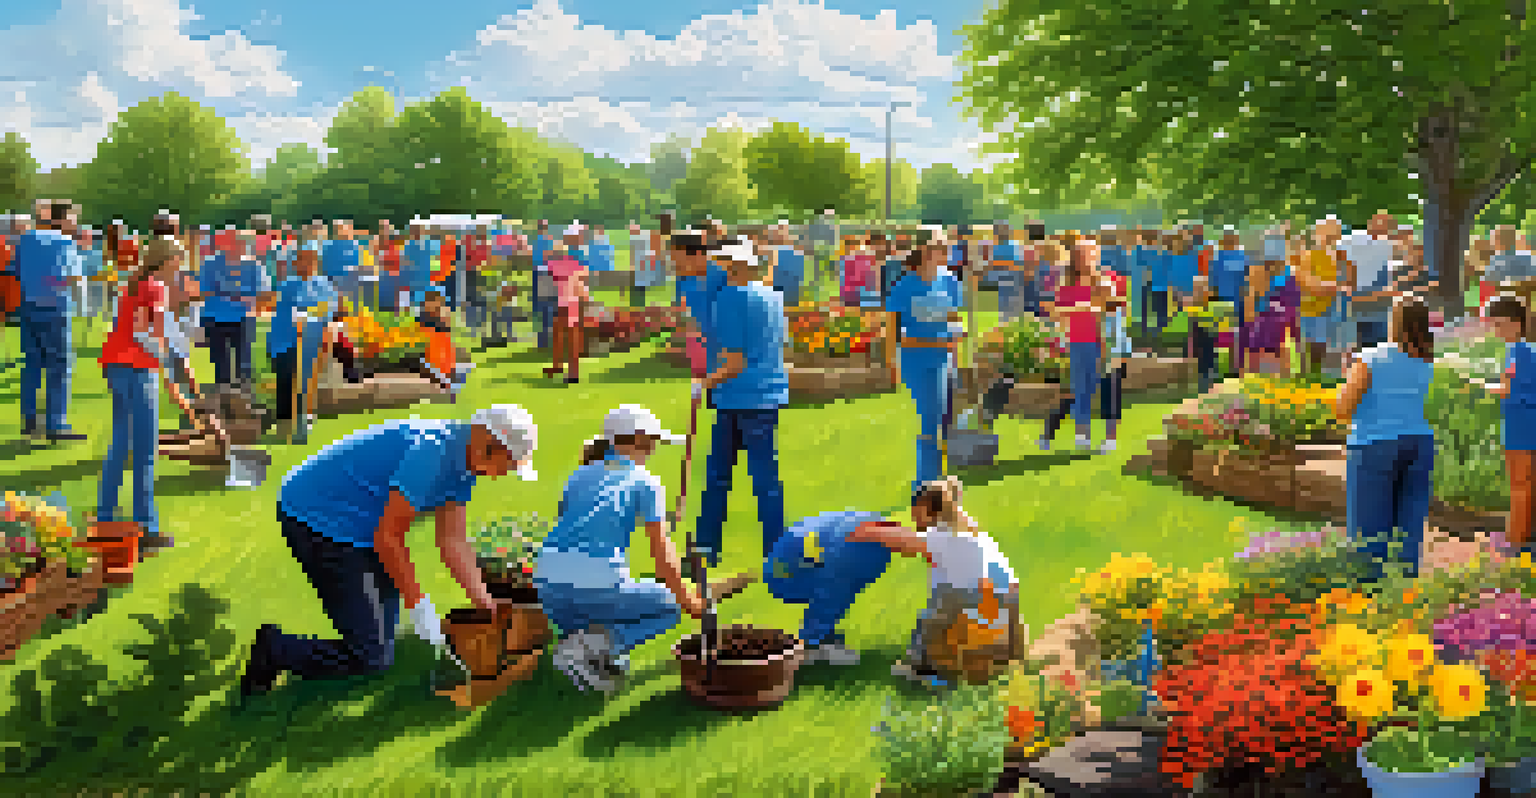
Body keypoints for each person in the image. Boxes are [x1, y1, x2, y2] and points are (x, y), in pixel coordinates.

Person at [240, 406, 539, 699]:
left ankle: (356, 641)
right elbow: (389, 537)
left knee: (382, 638)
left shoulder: (465, 463)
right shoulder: (432, 453)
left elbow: (452, 540)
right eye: (508, 465)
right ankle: (275, 649)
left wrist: (486, 603)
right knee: (370, 658)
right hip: (317, 521)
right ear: (491, 444)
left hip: (362, 525)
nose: (503, 475)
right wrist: (419, 604)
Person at [537, 406, 703, 694]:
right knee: (670, 608)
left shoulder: (580, 474)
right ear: (640, 440)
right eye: (653, 442)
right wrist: (690, 601)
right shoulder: (646, 481)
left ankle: (591, 650)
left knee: (600, 614)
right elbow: (662, 555)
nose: (654, 449)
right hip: (597, 583)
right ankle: (585, 649)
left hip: (548, 586)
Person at [842, 477, 1020, 685]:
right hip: (1006, 602)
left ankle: (923, 667)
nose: (915, 522)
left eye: (917, 516)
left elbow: (905, 542)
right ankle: (1006, 654)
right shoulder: (966, 528)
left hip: (983, 601)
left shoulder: (942, 535)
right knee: (950, 597)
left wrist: (864, 531)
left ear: (928, 510)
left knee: (934, 612)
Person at [693, 238, 791, 568]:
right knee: (766, 479)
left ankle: (706, 548)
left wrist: (703, 383)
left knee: (720, 476)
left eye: (719, 262)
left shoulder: (729, 298)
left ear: (731, 265)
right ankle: (777, 552)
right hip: (768, 395)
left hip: (739, 396)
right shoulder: (773, 295)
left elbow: (735, 361)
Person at [1334, 294, 1436, 583]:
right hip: (1419, 444)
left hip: (1374, 445)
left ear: (1395, 322)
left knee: (1368, 531)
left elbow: (1343, 409)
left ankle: (1369, 595)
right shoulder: (1428, 361)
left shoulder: (1372, 357)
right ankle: (1403, 593)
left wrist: (1347, 376)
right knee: (1409, 527)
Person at [97, 237, 182, 551]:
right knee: (146, 449)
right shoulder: (156, 287)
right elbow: (148, 333)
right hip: (136, 368)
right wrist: (171, 377)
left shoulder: (134, 283)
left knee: (121, 441)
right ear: (166, 259)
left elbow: (133, 328)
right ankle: (146, 528)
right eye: (178, 259)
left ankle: (106, 518)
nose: (180, 266)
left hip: (116, 366)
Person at [886, 237, 966, 491]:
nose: (943, 253)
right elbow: (892, 329)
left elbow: (954, 318)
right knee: (931, 418)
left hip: (943, 358)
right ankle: (927, 482)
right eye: (938, 248)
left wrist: (957, 354)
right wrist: (892, 362)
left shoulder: (950, 281)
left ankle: (930, 480)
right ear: (923, 250)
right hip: (915, 360)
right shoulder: (904, 285)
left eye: (945, 248)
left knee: (937, 418)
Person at [14, 201, 86, 441]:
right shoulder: (65, 242)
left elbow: (17, 271)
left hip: (28, 306)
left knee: (32, 364)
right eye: (73, 218)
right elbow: (72, 277)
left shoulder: (26, 239)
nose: (76, 222)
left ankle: (30, 420)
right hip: (56, 308)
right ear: (61, 219)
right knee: (60, 367)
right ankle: (56, 423)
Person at [266, 244, 338, 438]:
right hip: (284, 340)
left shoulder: (325, 286)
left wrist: (312, 318)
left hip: (310, 342)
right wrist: (307, 315)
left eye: (311, 259)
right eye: (302, 259)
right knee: (286, 380)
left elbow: (328, 312)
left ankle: (303, 420)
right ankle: (284, 423)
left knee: (307, 381)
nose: (306, 264)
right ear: (295, 262)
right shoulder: (287, 285)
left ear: (316, 262)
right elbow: (290, 312)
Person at [1487, 295, 1536, 556]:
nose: (1496, 330)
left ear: (1517, 324)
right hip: (1527, 425)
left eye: (1500, 324)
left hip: (1520, 426)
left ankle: (1515, 545)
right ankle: (1521, 539)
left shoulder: (1516, 351)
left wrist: (1485, 387)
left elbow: (1510, 389)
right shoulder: (1526, 351)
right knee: (1526, 485)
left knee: (1519, 485)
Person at [1051, 242, 1109, 452]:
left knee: (1093, 386)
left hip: (1096, 341)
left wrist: (1103, 342)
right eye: (1083, 256)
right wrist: (1080, 308)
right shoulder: (1066, 285)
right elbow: (1058, 313)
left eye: (1090, 255)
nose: (1087, 259)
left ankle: (1087, 432)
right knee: (1080, 388)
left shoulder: (1098, 283)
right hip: (1075, 341)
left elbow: (1104, 311)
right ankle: (1082, 434)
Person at [200, 229, 271, 389]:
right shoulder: (210, 264)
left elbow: (264, 294)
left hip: (243, 319)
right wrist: (238, 296)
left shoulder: (254, 266)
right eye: (232, 242)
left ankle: (245, 402)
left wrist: (231, 294)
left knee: (244, 367)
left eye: (240, 242)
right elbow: (204, 291)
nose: (236, 246)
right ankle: (224, 403)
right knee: (221, 367)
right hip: (214, 318)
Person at [1297, 219, 1352, 377]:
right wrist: (1337, 287)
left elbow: (1350, 281)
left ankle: (1332, 378)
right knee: (1316, 347)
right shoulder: (1309, 256)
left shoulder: (1342, 256)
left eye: (1336, 231)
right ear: (1317, 234)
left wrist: (1335, 287)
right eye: (1328, 232)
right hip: (1315, 310)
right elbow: (1310, 285)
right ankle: (1314, 378)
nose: (1333, 235)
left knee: (1338, 347)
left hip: (1337, 308)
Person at [543, 241, 589, 385]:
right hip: (574, 304)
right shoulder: (576, 265)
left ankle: (564, 370)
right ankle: (568, 371)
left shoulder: (552, 266)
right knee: (570, 339)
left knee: (562, 338)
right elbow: (582, 287)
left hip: (561, 305)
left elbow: (546, 288)